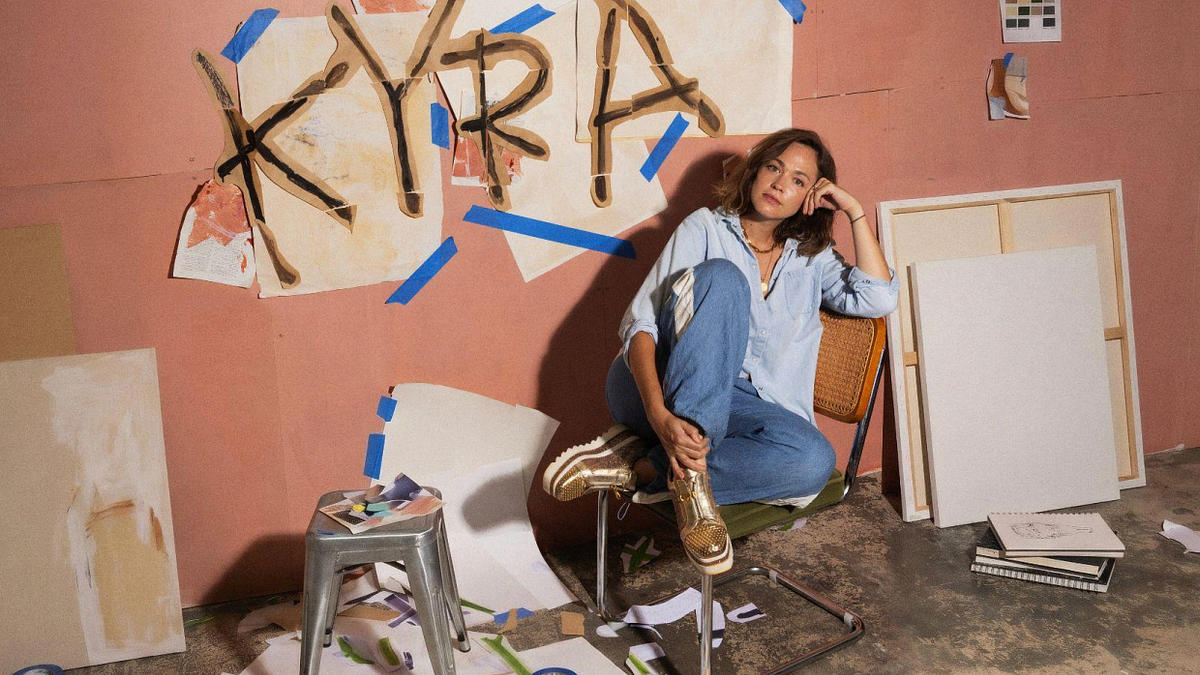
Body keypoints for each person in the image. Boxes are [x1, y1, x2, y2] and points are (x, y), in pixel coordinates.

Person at [543, 128, 899, 574]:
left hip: (740, 409)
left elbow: (878, 298)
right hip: (653, 387)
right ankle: (691, 484)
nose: (779, 184)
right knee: (724, 278)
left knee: (813, 460)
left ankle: (644, 467)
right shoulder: (705, 227)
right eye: (773, 167)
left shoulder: (813, 256)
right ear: (755, 171)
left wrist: (854, 211)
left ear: (812, 196)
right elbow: (641, 327)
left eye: (798, 180)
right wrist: (657, 415)